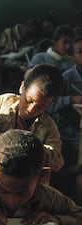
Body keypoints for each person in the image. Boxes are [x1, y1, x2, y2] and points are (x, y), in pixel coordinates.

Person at [0, 64, 64, 172]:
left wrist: (9, 142)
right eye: (29, 100)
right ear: (22, 87)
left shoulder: (49, 127)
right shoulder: (2, 103)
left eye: (40, 107)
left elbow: (56, 162)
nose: (31, 109)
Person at [47, 36, 82, 202]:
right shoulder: (66, 78)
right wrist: (70, 100)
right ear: (72, 57)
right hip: (69, 132)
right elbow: (50, 105)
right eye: (80, 52)